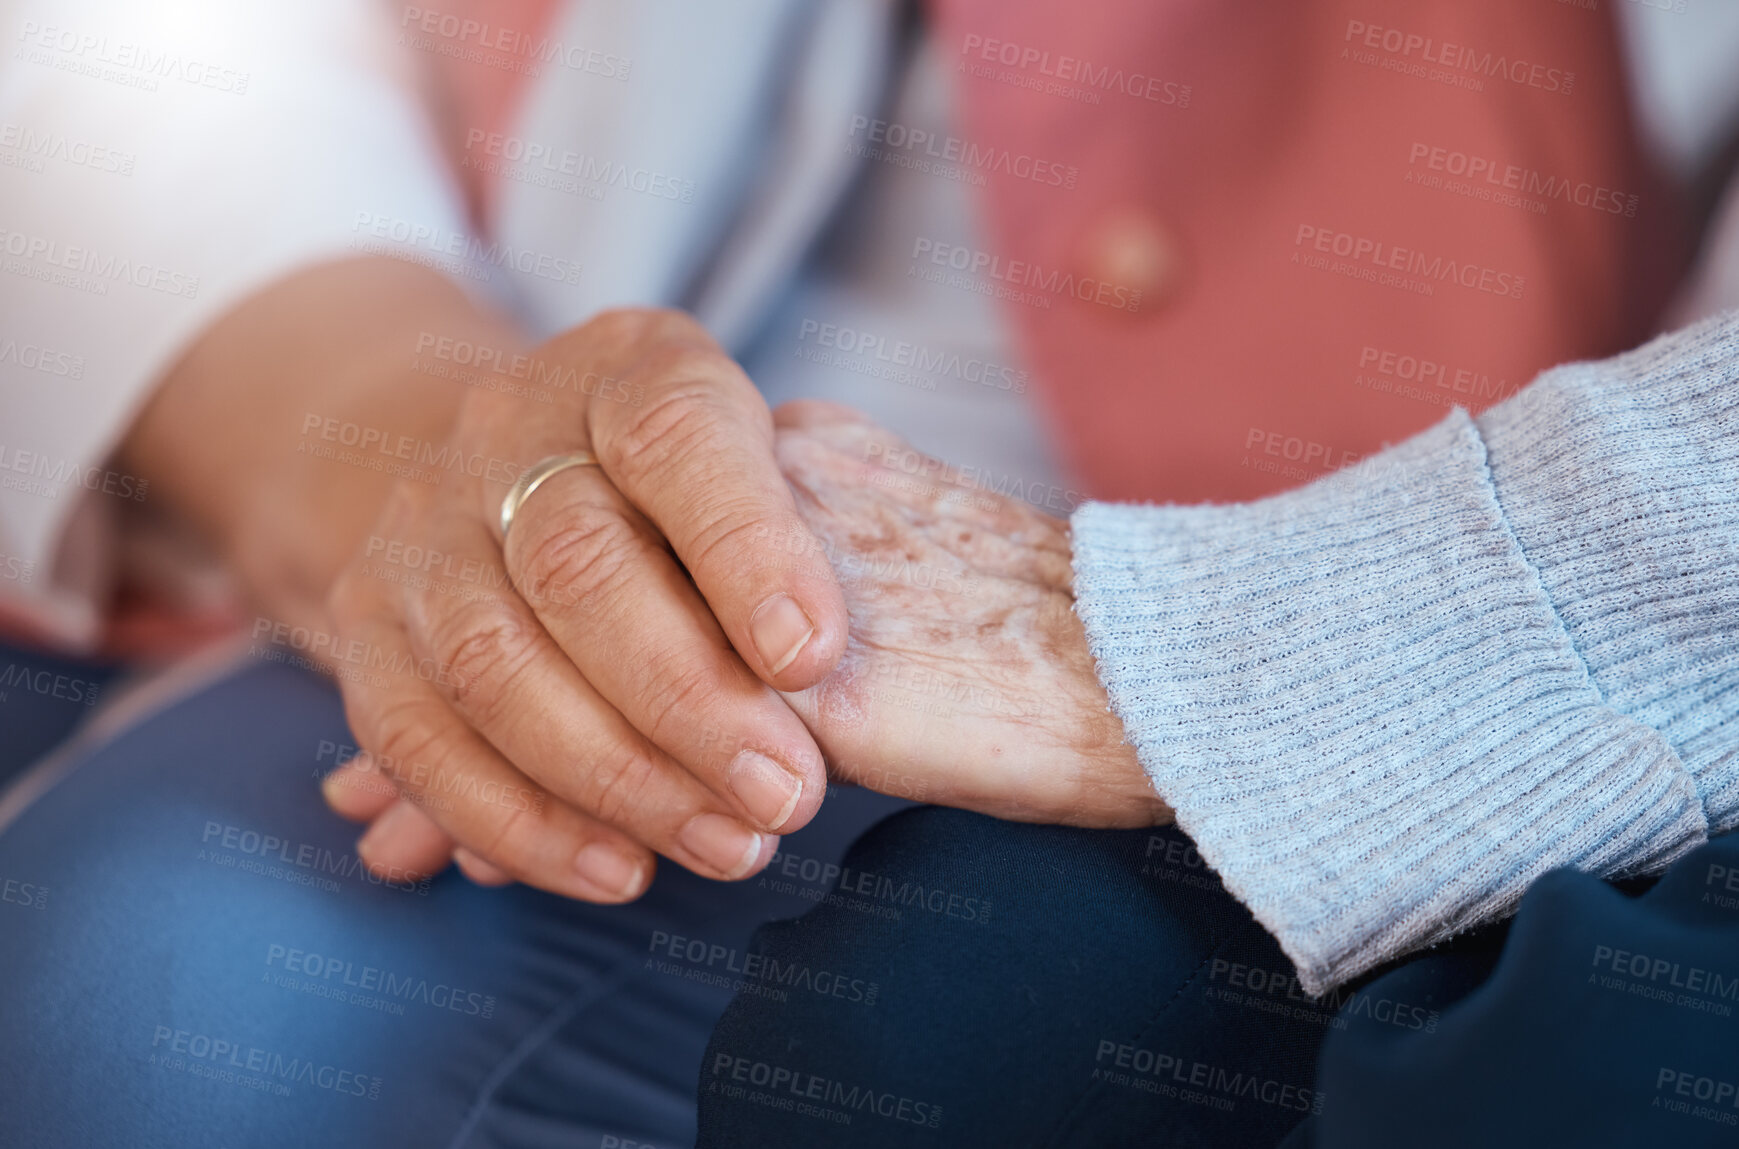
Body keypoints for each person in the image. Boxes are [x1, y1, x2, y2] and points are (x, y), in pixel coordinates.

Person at [3, 0, 1739, 1144]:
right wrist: (401, 431)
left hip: (1543, 609)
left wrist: (1285, 651)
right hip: (593, 377)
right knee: (161, 983)